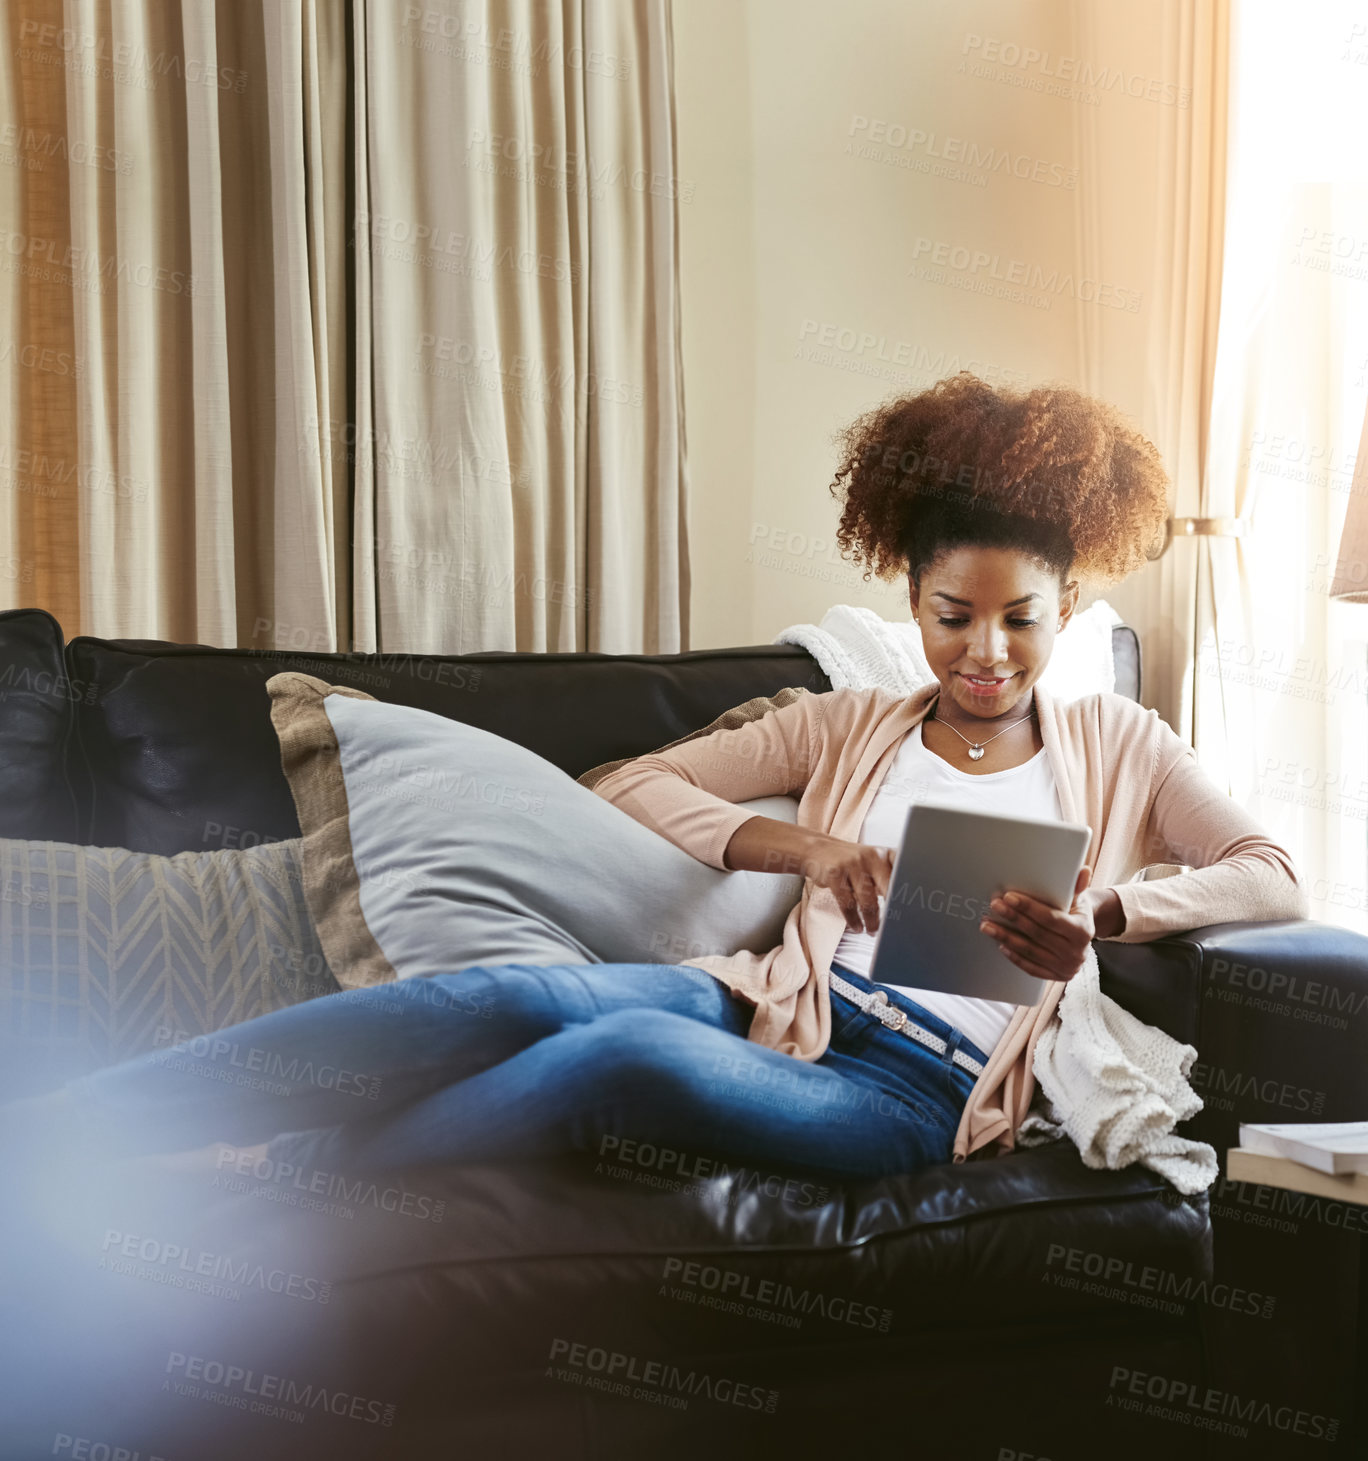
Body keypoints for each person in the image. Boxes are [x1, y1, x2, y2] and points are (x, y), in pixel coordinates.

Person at [2, 373, 1307, 1193]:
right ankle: (65, 1134)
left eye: (1018, 620)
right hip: (773, 1011)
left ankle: (258, 1182)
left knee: (619, 1046)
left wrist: (1112, 918)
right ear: (912, 601)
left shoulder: (1124, 747)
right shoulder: (850, 723)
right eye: (951, 614)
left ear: (1066, 606)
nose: (983, 651)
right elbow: (632, 784)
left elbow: (1271, 870)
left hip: (905, 1092)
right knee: (505, 992)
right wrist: (806, 854)